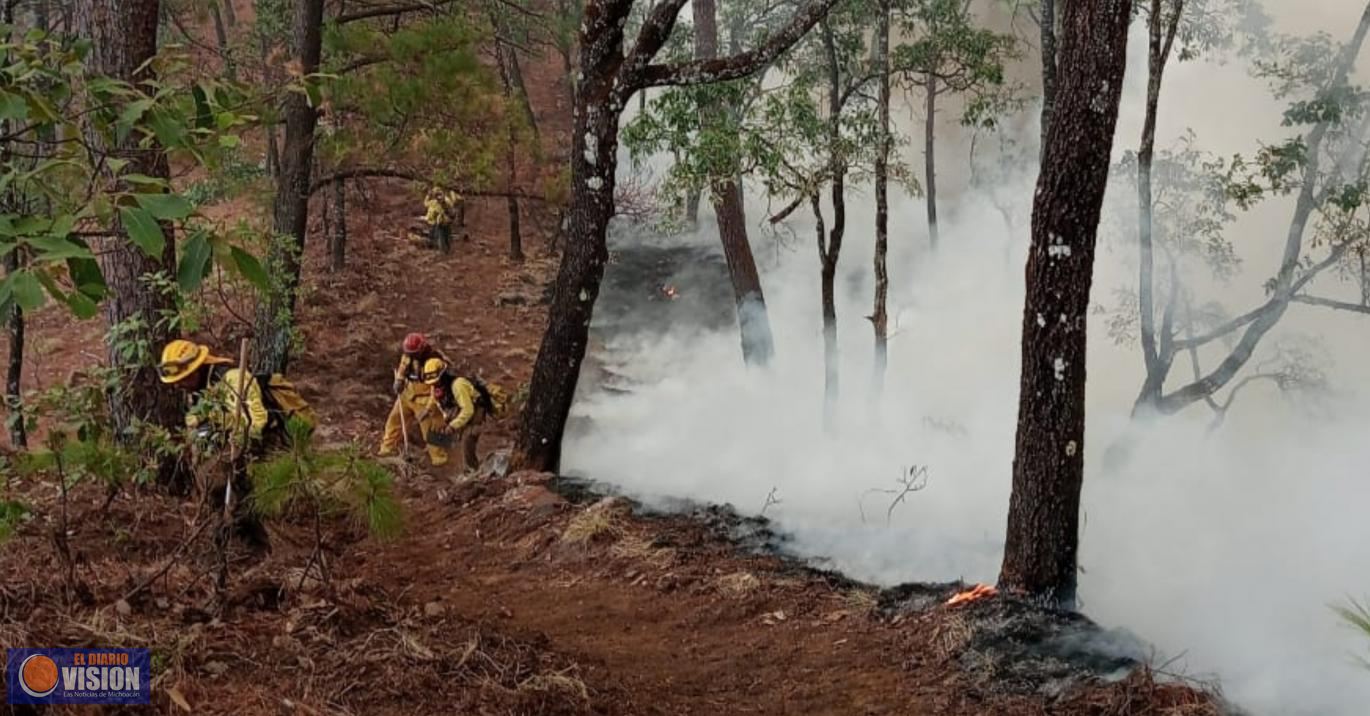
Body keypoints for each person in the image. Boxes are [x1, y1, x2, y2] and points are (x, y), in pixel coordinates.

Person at [158, 339, 316, 549]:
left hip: (265, 441)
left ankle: (257, 544)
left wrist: (225, 433)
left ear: (196, 368)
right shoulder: (196, 391)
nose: (178, 385)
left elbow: (256, 422)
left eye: (183, 378)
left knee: (225, 484)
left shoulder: (232, 379)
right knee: (211, 481)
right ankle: (230, 536)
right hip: (229, 444)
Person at [418, 357, 507, 470]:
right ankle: (448, 458)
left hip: (476, 414)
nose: (434, 384)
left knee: (467, 441)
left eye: (436, 381)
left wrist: (453, 425)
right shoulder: (437, 387)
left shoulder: (458, 386)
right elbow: (434, 398)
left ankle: (471, 471)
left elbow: (468, 410)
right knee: (441, 433)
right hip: (459, 413)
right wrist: (427, 410)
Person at [378, 332, 450, 464]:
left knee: (432, 433)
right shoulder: (408, 356)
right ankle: (387, 450)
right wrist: (399, 381)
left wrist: (428, 409)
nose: (410, 355)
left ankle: (440, 461)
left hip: (427, 400)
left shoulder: (433, 363)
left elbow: (438, 390)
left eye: (413, 353)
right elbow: (402, 368)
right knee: (394, 422)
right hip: (407, 395)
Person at [423, 187, 462, 254]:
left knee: (444, 236)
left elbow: (451, 209)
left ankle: (445, 250)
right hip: (440, 222)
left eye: (439, 195)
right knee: (441, 236)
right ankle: (444, 250)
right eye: (437, 195)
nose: (438, 197)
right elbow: (426, 204)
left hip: (445, 221)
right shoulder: (435, 202)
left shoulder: (446, 201)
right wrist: (428, 195)